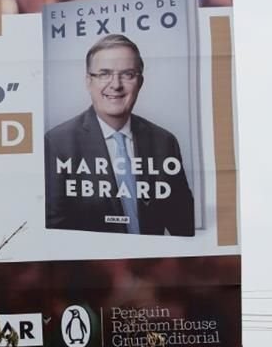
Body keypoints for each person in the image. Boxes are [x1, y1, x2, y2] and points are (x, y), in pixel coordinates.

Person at [44, 34, 195, 236]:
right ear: (89, 81)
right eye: (104, 74)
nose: (116, 85)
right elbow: (55, 233)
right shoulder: (57, 143)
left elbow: (184, 225)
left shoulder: (164, 142)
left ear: (140, 82)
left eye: (128, 74)